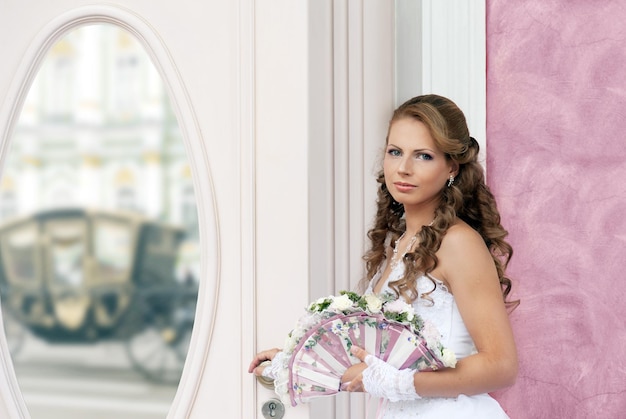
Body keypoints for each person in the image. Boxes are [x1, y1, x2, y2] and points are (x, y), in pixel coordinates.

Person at [249, 94, 518, 418]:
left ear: (451, 166)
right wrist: (294, 361)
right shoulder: (400, 244)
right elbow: (376, 364)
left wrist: (402, 384)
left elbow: (501, 365)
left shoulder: (458, 242)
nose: (403, 168)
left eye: (423, 156)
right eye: (395, 152)